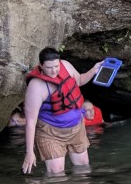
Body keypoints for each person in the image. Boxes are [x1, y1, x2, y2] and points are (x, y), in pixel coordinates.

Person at [21, 47, 103, 175]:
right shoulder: (36, 87)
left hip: (76, 128)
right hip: (51, 133)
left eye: (56, 66)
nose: (54, 70)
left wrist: (94, 70)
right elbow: (31, 122)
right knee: (56, 175)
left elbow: (80, 80)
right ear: (41, 66)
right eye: (49, 67)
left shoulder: (66, 66)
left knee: (83, 169)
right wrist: (30, 152)